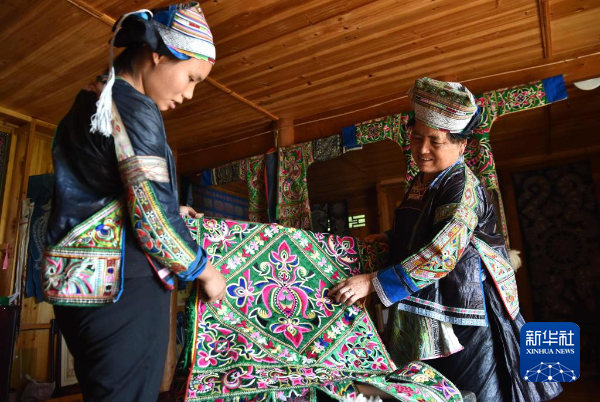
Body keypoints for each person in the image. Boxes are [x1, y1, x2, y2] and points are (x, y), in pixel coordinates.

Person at [330, 77, 562, 401]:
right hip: (431, 307)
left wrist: (372, 282)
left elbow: (441, 252)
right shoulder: (422, 182)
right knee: (432, 392)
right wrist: (385, 238)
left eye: (435, 142)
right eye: (417, 138)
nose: (422, 149)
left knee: (471, 393)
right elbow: (417, 232)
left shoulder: (460, 186)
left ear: (461, 145)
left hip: (465, 313)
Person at [42, 3, 226, 401]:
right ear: (157, 54)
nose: (189, 94)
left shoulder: (90, 99)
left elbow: (102, 190)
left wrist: (170, 207)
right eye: (191, 78)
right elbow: (153, 222)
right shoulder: (134, 106)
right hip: (125, 289)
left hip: (79, 286)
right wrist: (206, 270)